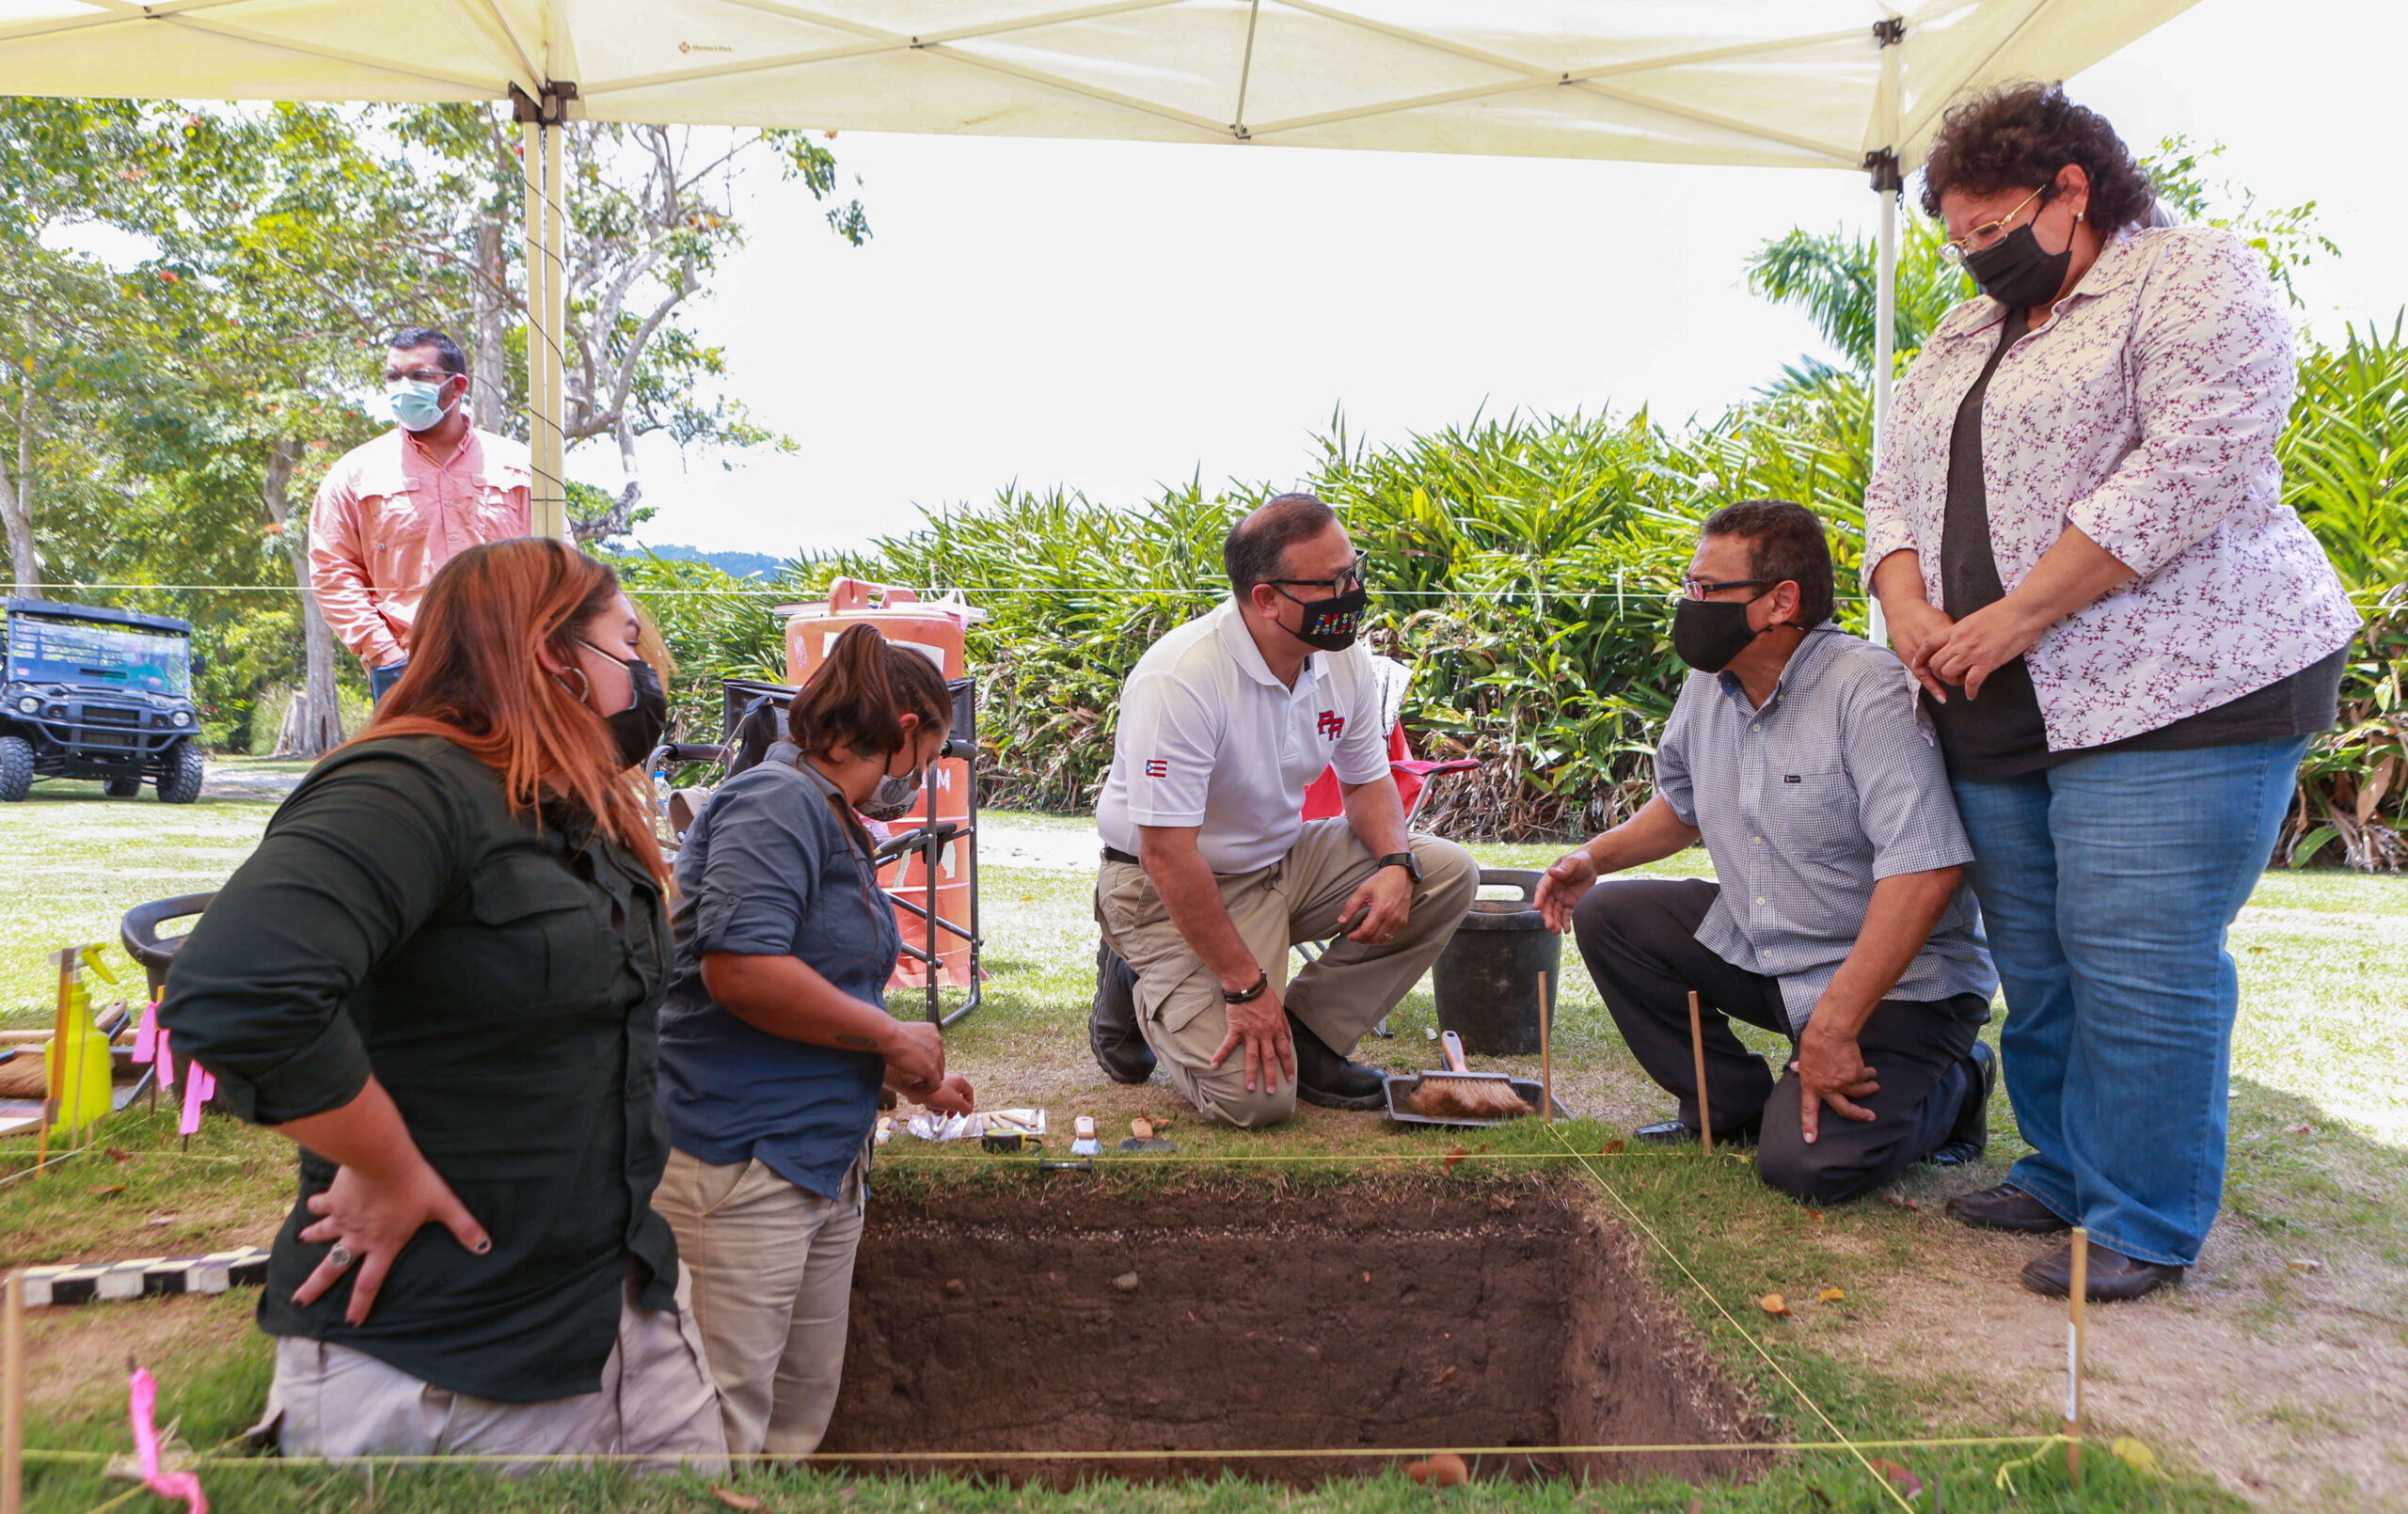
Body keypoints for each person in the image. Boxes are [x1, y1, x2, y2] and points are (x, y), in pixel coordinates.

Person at [1863, 86, 2358, 1301]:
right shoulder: (1956, 340)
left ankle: (2142, 1211)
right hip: (1994, 696)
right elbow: (1891, 489)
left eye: (1990, 230)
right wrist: (1912, 610)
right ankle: (2064, 1165)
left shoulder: (2191, 278)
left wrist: (2020, 612)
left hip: (2181, 682)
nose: (1974, 258)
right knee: (2037, 953)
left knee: (2135, 952)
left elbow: (2192, 465)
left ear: (2070, 191)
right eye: (1957, 240)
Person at [158, 538, 720, 1464]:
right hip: (452, 1356)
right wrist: (386, 1161)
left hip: (621, 1314)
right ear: (551, 651)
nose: (646, 672)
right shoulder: (410, 781)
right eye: (628, 641)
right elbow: (240, 992)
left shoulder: (576, 806)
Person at [1534, 501, 2000, 1206]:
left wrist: (1837, 1024)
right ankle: (1734, 1107)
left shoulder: (1865, 690)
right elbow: (1684, 806)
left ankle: (1961, 1081)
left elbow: (1926, 869)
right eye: (1687, 587)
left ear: (1782, 601)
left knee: (1810, 1168)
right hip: (1773, 955)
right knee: (1612, 916)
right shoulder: (1709, 685)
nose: (1690, 606)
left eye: (1707, 591)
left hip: (1898, 987)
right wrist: (1594, 859)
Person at [650, 624, 975, 1459]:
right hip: (744, 1157)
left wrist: (901, 1070)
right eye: (930, 759)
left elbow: (821, 982)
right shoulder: (775, 803)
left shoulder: (825, 813)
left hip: (816, 1160)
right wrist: (888, 1035)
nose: (921, 783)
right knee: (716, 1424)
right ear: (905, 733)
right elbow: (742, 970)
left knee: (790, 1417)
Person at [1087, 494, 1478, 1127]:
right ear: (1266, 599)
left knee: (1447, 871)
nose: (1352, 593)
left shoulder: (1340, 657)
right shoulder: (1181, 678)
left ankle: (1310, 1037)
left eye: (1354, 571)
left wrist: (1396, 863)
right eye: (1332, 583)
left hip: (1280, 860)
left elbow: (1367, 783)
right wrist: (1245, 990)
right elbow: (1166, 852)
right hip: (1168, 884)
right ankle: (1135, 973)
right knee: (1256, 1102)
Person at [309, 325, 532, 702]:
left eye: (419, 376)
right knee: (415, 765)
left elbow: (559, 560)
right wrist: (384, 654)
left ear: (457, 387)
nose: (402, 387)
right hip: (406, 671)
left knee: (518, 764)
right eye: (393, 376)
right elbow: (332, 571)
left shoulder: (519, 466)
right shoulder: (356, 472)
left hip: (511, 668)